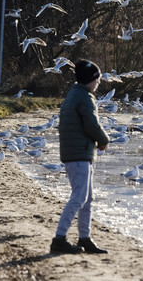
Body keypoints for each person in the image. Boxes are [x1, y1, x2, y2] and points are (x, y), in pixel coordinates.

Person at [51, 59, 110, 254]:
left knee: (88, 197)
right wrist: (103, 140)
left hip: (77, 152)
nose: (99, 83)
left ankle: (85, 238)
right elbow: (91, 124)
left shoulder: (74, 94)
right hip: (78, 154)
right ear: (89, 79)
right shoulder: (84, 97)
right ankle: (59, 238)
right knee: (79, 197)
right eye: (97, 79)